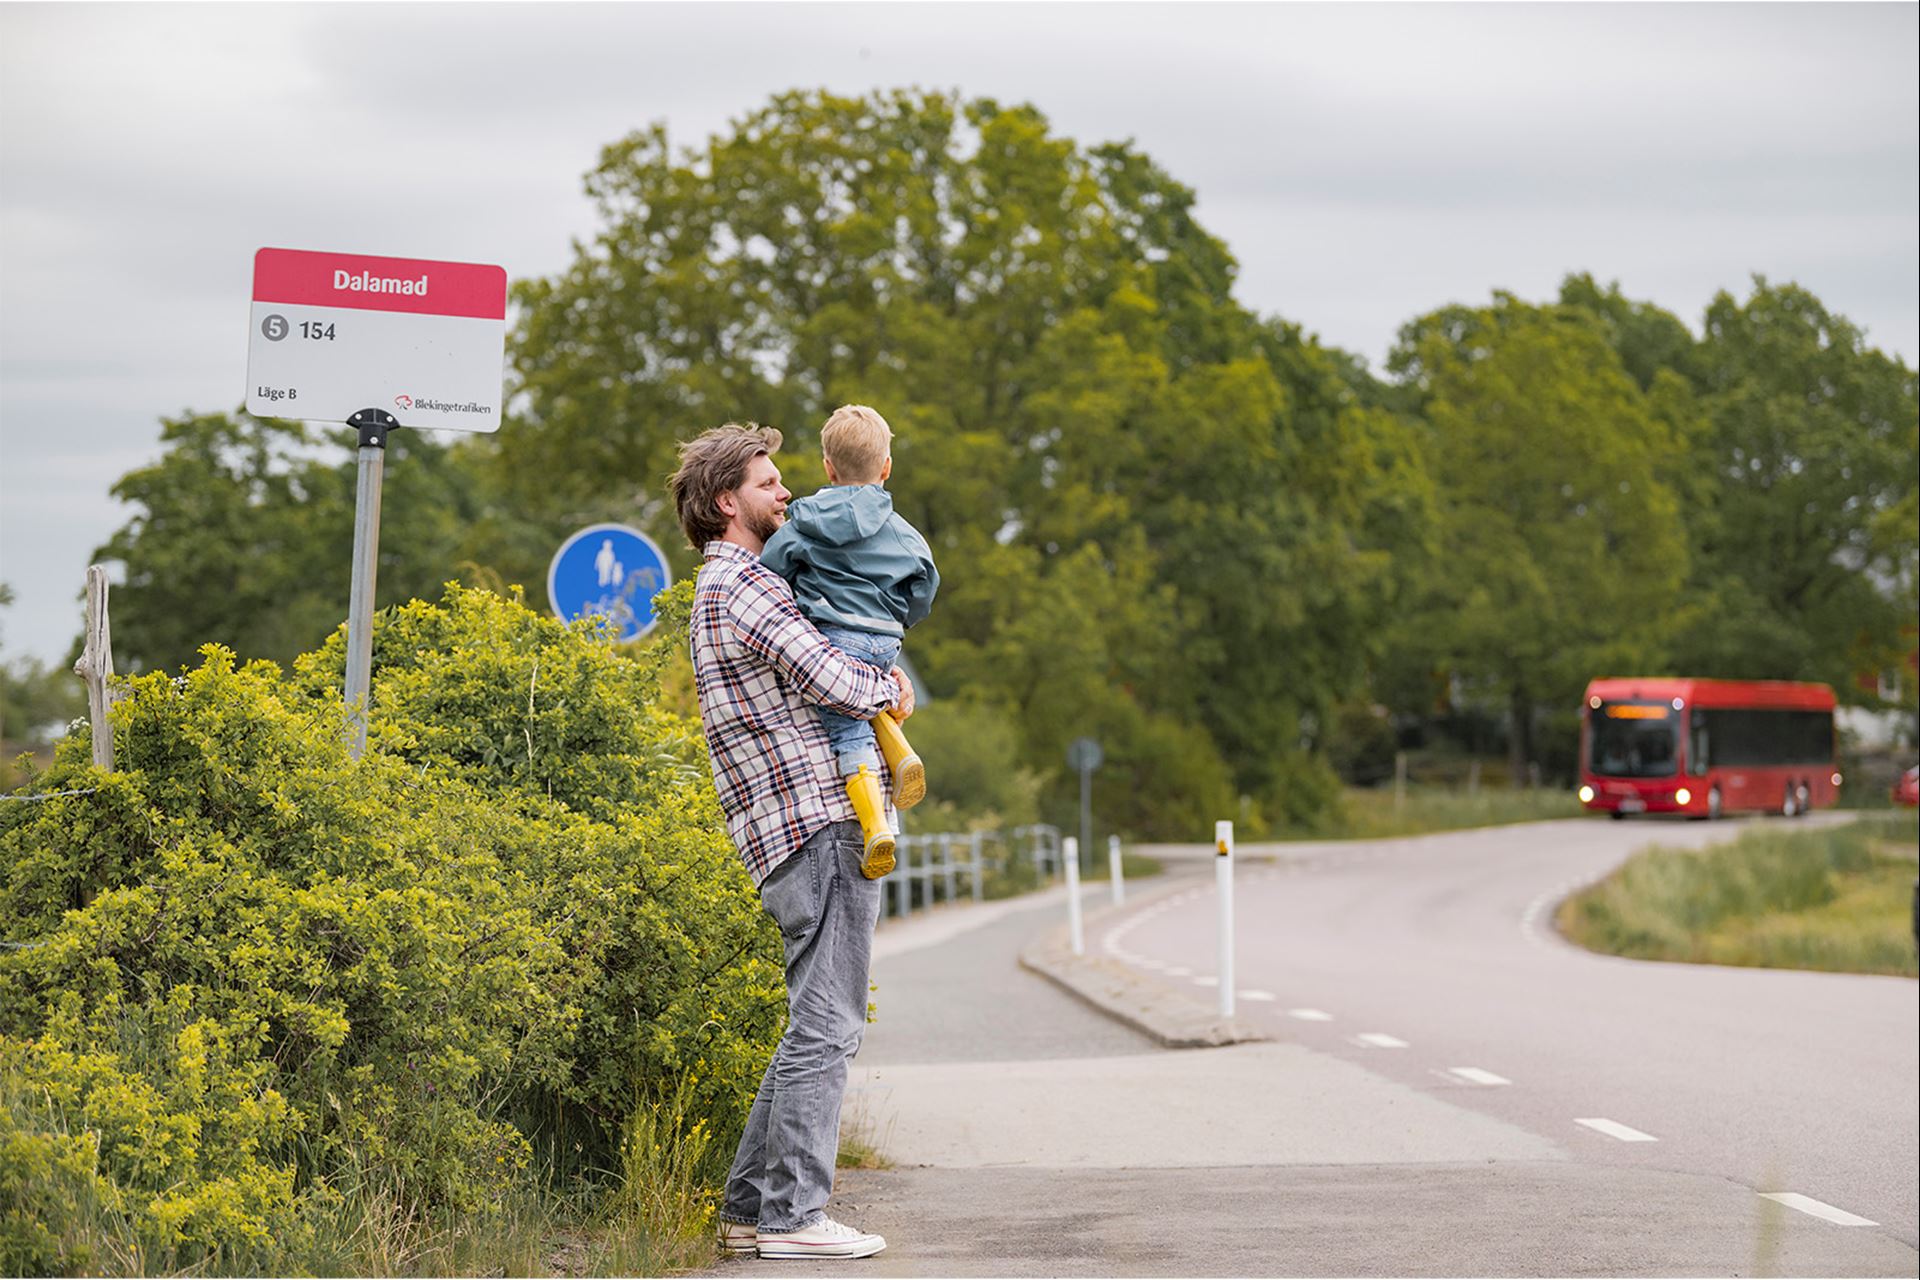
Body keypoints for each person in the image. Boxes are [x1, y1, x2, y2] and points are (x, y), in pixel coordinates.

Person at [668, 422, 910, 1261]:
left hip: (784, 833)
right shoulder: (747, 589)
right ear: (728, 501)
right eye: (770, 484)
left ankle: (747, 1210)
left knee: (811, 1020)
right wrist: (891, 684)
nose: (788, 494)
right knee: (830, 1027)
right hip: (819, 823)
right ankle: (795, 1219)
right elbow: (835, 678)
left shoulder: (722, 589)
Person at [761, 404, 939, 878]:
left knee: (846, 730)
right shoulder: (903, 533)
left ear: (827, 466)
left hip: (835, 638)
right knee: (870, 697)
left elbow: (774, 568)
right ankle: (901, 754)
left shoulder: (804, 523)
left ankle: (874, 823)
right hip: (884, 640)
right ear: (886, 467)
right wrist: (898, 616)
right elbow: (925, 585)